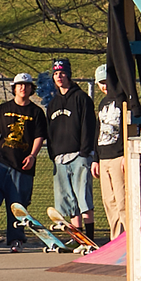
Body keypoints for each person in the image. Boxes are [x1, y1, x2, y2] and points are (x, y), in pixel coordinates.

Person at [0, 73, 47, 247]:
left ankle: (16, 238)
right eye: (20, 85)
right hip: (0, 161)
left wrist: (33, 156)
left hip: (23, 166)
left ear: (31, 89)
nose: (23, 88)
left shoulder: (36, 112)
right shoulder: (2, 108)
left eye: (27, 85)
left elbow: (39, 137)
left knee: (17, 203)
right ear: (14, 88)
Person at [41, 58, 95, 230]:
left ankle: (90, 238)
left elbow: (89, 125)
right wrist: (53, 154)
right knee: (69, 202)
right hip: (60, 158)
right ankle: (78, 238)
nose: (59, 77)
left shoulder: (81, 98)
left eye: (62, 73)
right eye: (56, 73)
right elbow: (50, 131)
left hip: (79, 155)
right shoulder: (53, 104)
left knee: (83, 199)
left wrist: (85, 152)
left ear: (69, 75)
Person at [93, 64, 129, 243]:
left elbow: (131, 128)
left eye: (107, 82)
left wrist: (126, 154)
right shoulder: (102, 103)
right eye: (101, 83)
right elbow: (98, 131)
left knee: (122, 201)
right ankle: (115, 239)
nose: (105, 86)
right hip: (104, 157)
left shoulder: (123, 99)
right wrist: (95, 159)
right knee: (109, 201)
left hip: (118, 156)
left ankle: (129, 238)